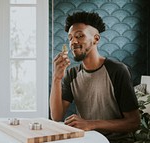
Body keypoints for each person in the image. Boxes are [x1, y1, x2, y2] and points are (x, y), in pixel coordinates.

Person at [50, 11, 140, 143]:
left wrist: (91, 124)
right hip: (86, 140)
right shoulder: (71, 74)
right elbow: (56, 116)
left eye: (79, 36)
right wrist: (56, 78)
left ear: (96, 39)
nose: (73, 41)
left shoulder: (117, 70)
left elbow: (133, 122)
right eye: (70, 38)